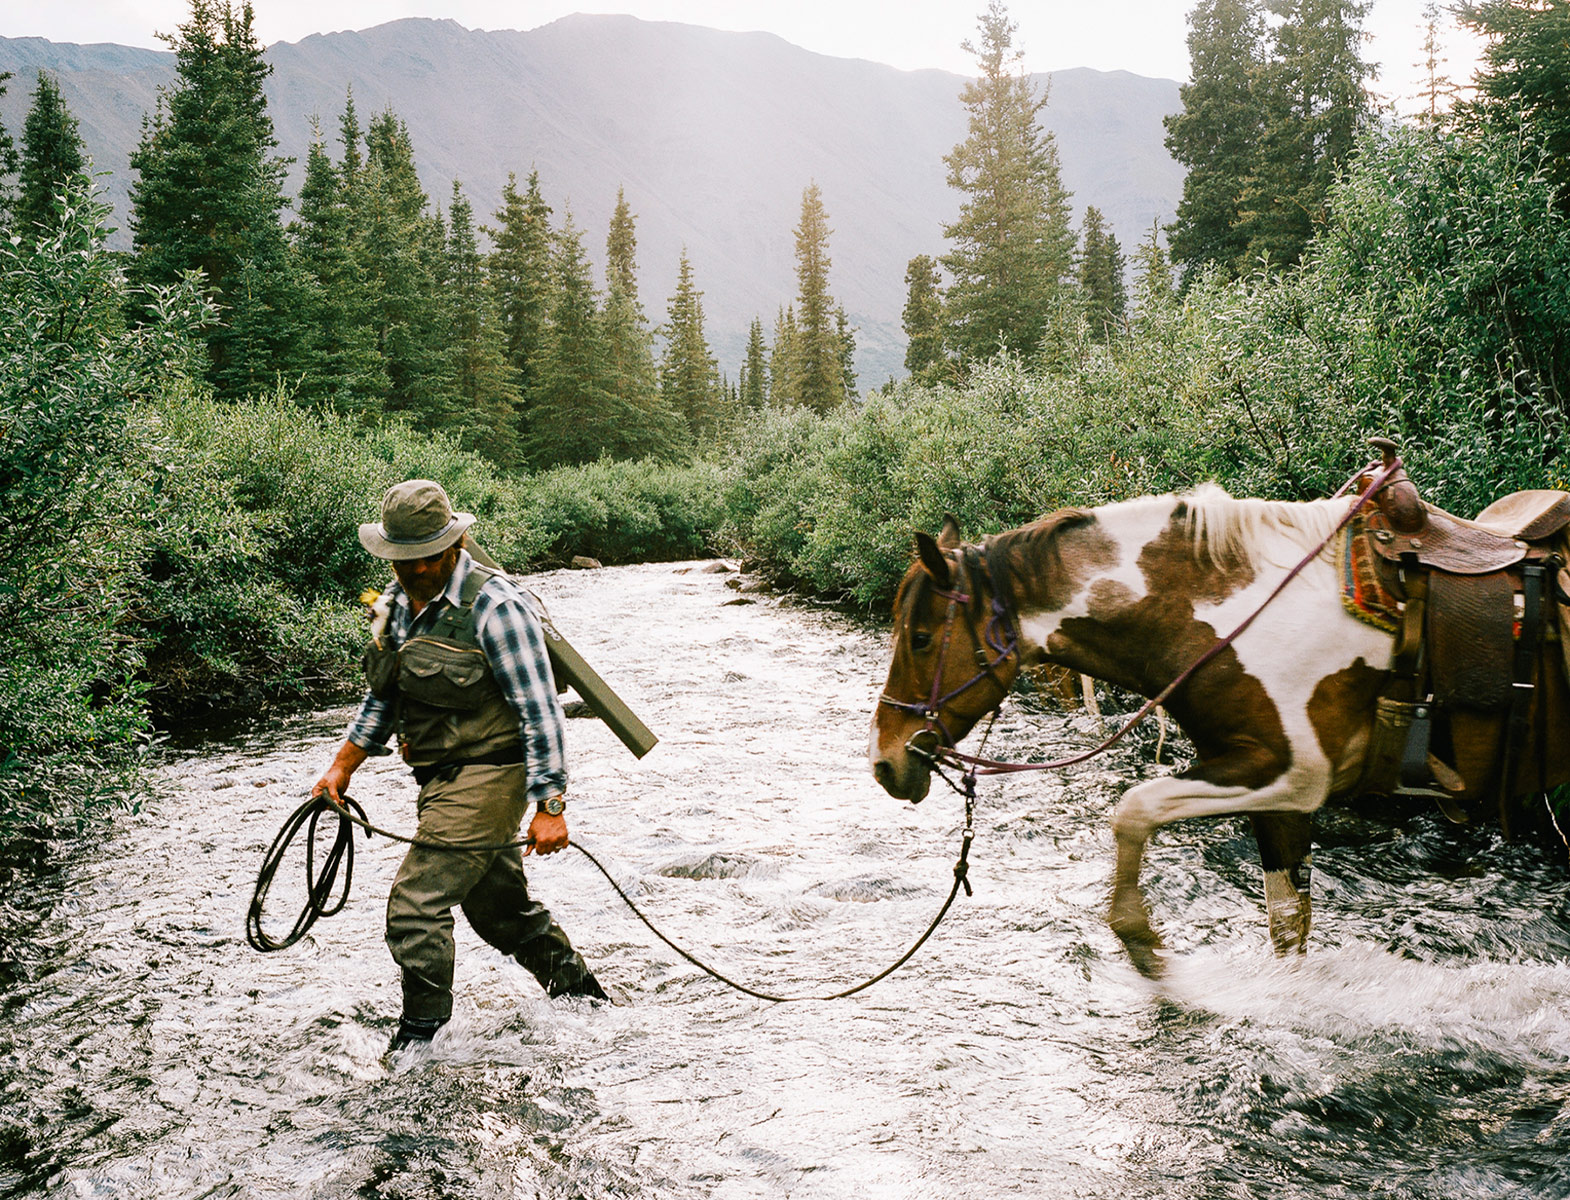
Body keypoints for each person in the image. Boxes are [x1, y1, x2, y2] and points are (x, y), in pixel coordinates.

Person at [313, 479, 607, 1052]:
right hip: (438, 781)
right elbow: (384, 698)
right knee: (501, 914)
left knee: (415, 906)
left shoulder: (498, 605)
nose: (412, 570)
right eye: (400, 559)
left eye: (423, 559)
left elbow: (540, 711)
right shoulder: (394, 606)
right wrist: (342, 767)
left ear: (452, 546)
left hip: (493, 776)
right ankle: (587, 1003)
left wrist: (550, 806)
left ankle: (417, 1045)